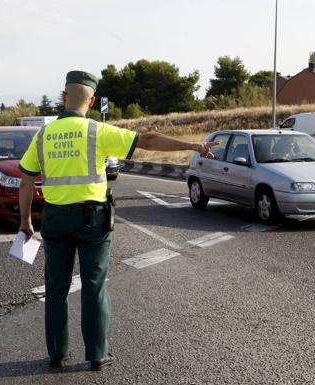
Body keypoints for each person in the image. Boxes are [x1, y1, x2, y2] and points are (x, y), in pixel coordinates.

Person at [18, 70, 218, 371]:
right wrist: (191, 146)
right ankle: (97, 354)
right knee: (93, 286)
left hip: (55, 220)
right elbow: (147, 139)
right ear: (92, 100)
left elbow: (25, 180)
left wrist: (25, 222)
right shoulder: (97, 131)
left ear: (64, 97)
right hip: (91, 220)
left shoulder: (43, 135)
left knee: (55, 289)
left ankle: (57, 353)